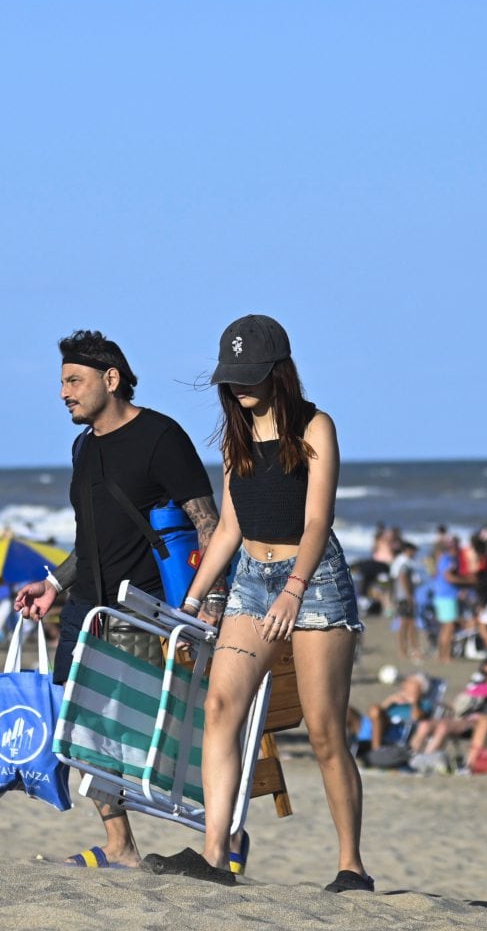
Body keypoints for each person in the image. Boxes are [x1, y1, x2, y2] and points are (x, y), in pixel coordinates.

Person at [151, 314, 371, 890]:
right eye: (232, 376)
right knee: (220, 707)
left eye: (250, 375)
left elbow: (318, 519)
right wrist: (194, 599)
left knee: (324, 730)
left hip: (314, 578)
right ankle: (215, 853)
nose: (239, 386)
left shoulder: (315, 426)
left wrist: (295, 590)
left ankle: (351, 866)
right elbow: (228, 527)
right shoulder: (237, 436)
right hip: (251, 578)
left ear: (279, 371)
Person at [12, 330, 218, 870]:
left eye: (74, 381)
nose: (63, 393)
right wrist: (55, 585)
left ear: (111, 379)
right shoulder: (83, 447)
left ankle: (223, 839)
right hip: (87, 605)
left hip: (145, 607)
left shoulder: (160, 437)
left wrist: (209, 602)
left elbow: (206, 521)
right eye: (61, 382)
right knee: (83, 724)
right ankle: (120, 844)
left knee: (172, 722)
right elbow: (89, 538)